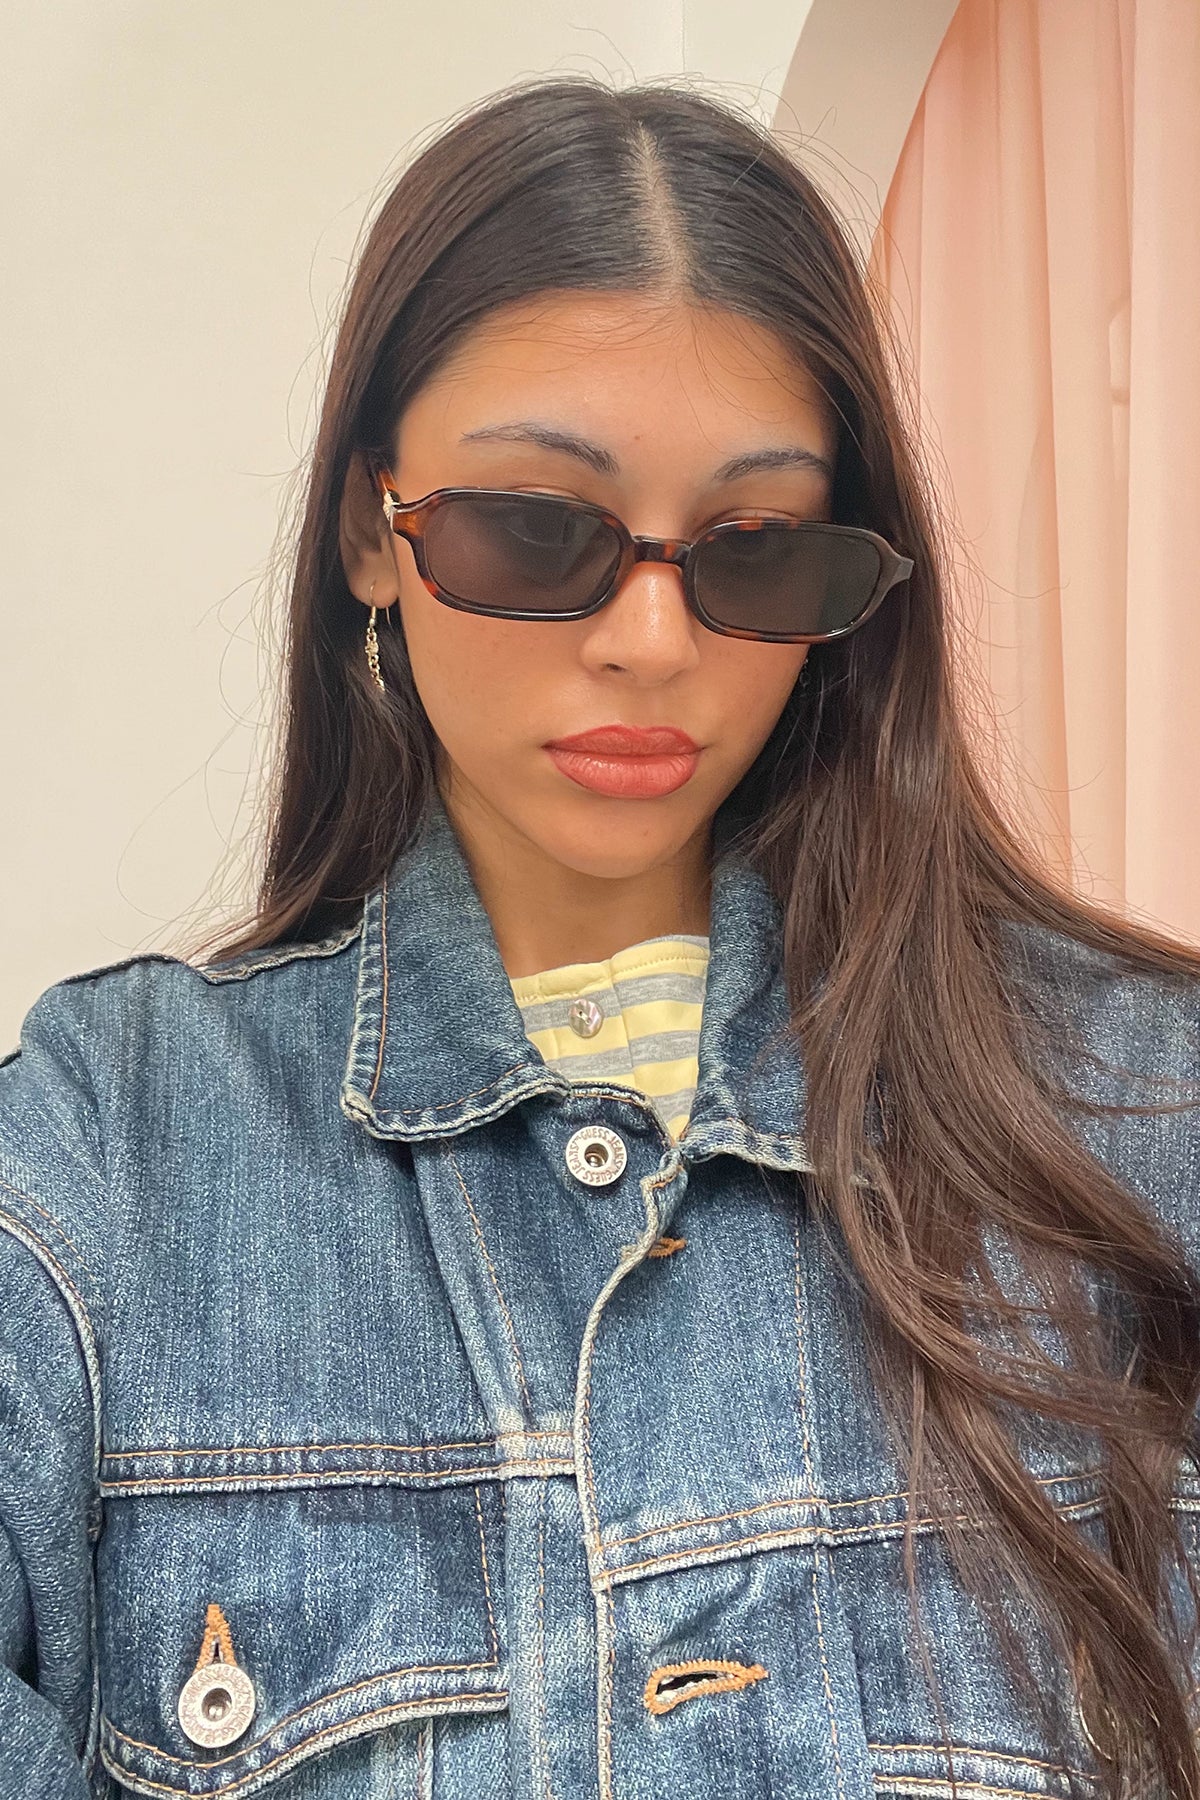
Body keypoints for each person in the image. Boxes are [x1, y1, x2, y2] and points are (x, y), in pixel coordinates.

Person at [2, 76, 1198, 1800]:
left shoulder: (1146, 1106)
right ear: (368, 532)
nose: (650, 641)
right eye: (534, 529)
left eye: (754, 550)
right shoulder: (106, 1155)